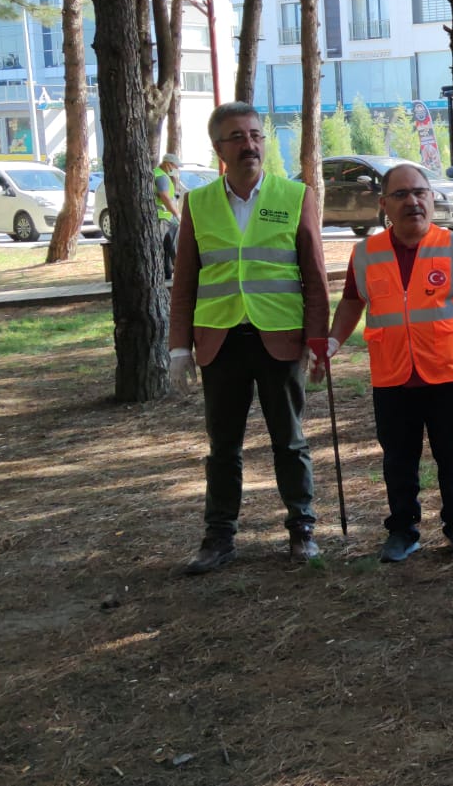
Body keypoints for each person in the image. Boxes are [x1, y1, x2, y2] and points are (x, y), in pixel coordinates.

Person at [168, 102, 333, 575]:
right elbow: (184, 282)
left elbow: (314, 278)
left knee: (290, 440)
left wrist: (318, 343)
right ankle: (218, 537)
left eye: (256, 135)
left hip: (279, 340)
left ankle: (302, 530)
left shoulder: (293, 195)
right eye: (237, 137)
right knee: (223, 447)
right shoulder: (197, 204)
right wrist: (180, 347)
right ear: (218, 148)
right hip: (220, 343)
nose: (250, 145)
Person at [325, 162, 453, 562]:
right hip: (392, 375)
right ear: (384, 204)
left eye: (420, 192)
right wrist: (333, 341)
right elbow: (351, 303)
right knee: (398, 462)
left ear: (432, 198)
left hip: (447, 373)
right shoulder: (365, 254)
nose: (413, 201)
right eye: (401, 195)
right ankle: (403, 530)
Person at [156, 155, 183, 280]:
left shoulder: (156, 173)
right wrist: (177, 214)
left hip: (160, 218)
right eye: (175, 166)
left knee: (165, 252)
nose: (176, 169)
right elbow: (165, 198)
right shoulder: (161, 176)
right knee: (173, 250)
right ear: (168, 164)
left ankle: (166, 275)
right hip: (164, 218)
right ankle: (180, 277)